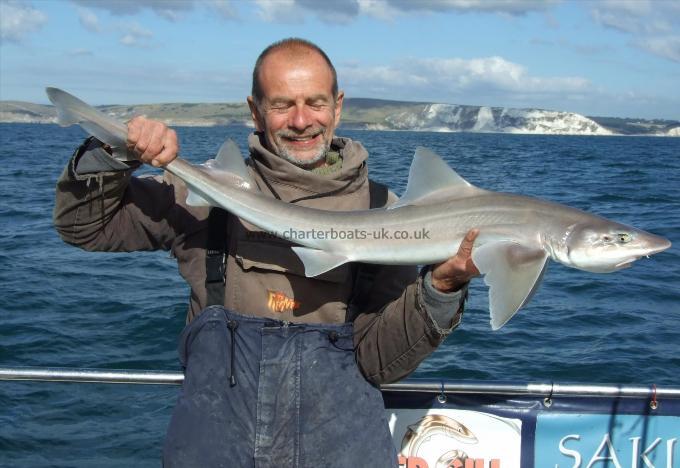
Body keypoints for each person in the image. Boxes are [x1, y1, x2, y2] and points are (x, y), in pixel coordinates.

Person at [54, 38, 479, 467]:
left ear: (338, 106)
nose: (301, 120)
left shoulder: (386, 216)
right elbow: (84, 227)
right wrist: (114, 154)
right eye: (281, 105)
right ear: (254, 110)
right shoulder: (201, 194)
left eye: (315, 102)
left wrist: (442, 287)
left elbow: (379, 363)